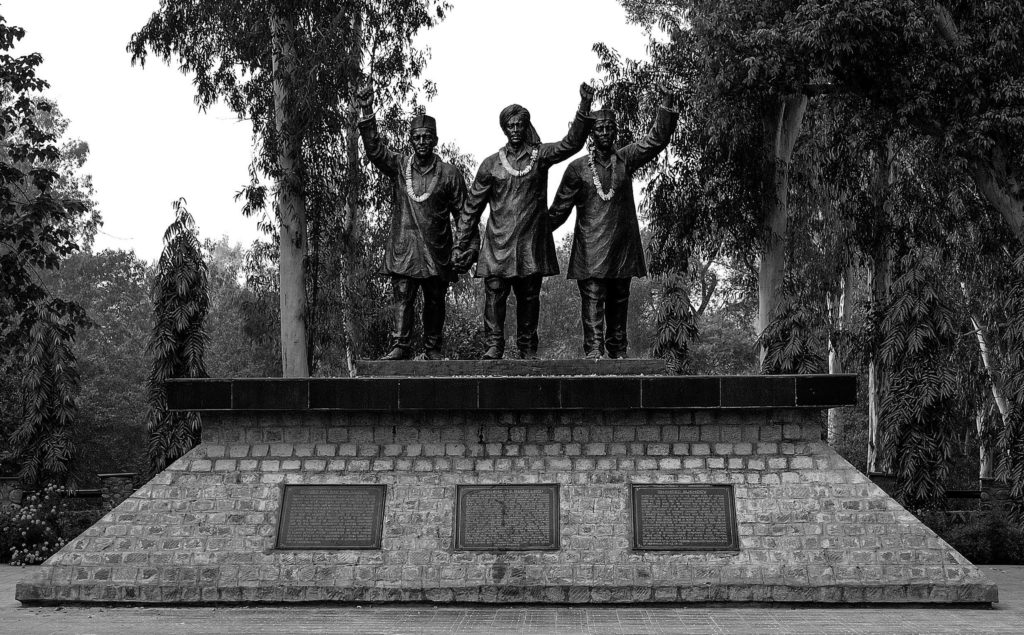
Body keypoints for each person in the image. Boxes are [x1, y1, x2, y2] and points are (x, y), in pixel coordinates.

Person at [454, 83, 595, 360]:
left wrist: (584, 108)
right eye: (511, 126)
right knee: (494, 294)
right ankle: (494, 345)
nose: (516, 130)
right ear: (504, 129)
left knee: (529, 298)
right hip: (498, 244)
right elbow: (471, 208)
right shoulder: (490, 164)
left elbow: (571, 144)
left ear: (526, 126)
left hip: (530, 243)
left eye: (520, 125)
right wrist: (460, 244)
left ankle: (527, 348)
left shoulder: (539, 157)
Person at [548, 88, 679, 359]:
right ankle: (593, 352)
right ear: (591, 135)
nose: (605, 133)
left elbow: (655, 140)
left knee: (619, 305)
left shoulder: (625, 159)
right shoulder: (577, 169)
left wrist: (665, 103)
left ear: (615, 133)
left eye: (609, 128)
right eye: (599, 129)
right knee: (593, 304)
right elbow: (559, 210)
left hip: (621, 250)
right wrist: (533, 230)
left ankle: (618, 353)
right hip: (590, 251)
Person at [356, 85, 472, 360]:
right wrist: (367, 111)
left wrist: (464, 248)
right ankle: (401, 345)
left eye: (427, 137)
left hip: (436, 249)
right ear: (411, 140)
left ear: (435, 140)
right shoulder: (399, 165)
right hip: (404, 247)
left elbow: (464, 215)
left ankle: (433, 347)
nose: (422, 141)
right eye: (417, 137)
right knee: (403, 297)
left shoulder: (449, 174)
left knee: (434, 300)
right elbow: (374, 150)